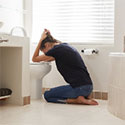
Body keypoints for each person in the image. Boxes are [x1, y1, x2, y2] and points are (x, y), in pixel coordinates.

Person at [32, 29, 98, 105]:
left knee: (47, 95)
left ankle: (77, 100)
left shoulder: (55, 50)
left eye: (44, 51)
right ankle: (83, 96)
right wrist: (49, 36)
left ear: (46, 45)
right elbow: (48, 58)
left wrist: (41, 40)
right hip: (88, 87)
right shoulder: (64, 47)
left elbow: (34, 59)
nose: (46, 54)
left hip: (79, 88)